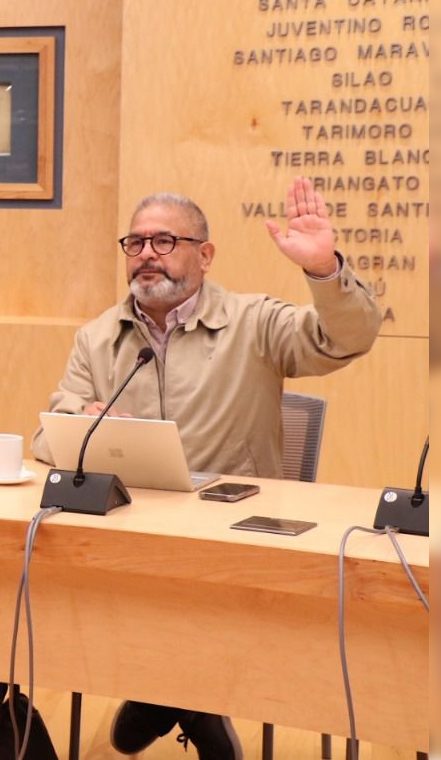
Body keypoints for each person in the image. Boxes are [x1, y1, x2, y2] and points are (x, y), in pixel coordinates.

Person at [31, 177, 382, 759]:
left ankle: (164, 696)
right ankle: (184, 700)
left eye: (164, 241)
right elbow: (49, 435)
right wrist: (85, 422)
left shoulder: (255, 322)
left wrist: (324, 271)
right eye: (136, 243)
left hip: (233, 539)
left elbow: (348, 338)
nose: (147, 254)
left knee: (196, 599)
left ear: (205, 254)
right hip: (131, 537)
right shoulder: (96, 338)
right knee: (78, 592)